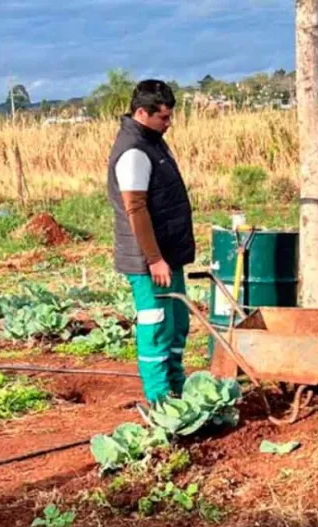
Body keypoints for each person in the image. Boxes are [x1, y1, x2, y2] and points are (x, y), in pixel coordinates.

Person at [108, 80, 195, 406]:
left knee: (177, 323)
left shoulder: (153, 142)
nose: (169, 123)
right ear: (142, 113)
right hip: (150, 261)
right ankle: (160, 400)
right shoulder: (133, 151)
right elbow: (135, 208)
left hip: (168, 256)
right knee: (156, 325)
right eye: (163, 117)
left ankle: (176, 387)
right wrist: (154, 258)